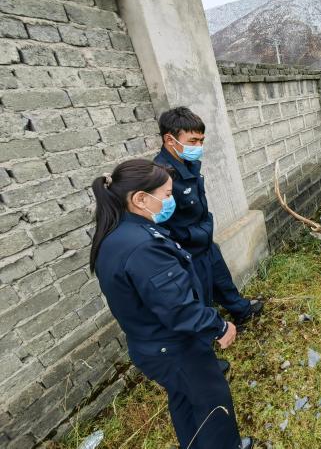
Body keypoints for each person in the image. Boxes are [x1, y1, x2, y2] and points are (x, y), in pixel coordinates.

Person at [90, 159, 254, 449]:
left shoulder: (118, 235)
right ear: (140, 199)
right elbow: (178, 308)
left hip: (153, 346)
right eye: (166, 194)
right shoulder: (143, 246)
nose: (171, 199)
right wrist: (219, 326)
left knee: (186, 401)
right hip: (176, 348)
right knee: (213, 405)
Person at [154, 108, 263, 356]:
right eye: (192, 141)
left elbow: (199, 207)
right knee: (199, 300)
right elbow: (163, 225)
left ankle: (242, 311)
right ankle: (209, 344)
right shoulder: (160, 175)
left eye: (201, 140)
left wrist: (206, 229)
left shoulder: (189, 163)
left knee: (222, 280)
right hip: (188, 251)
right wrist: (192, 239)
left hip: (204, 240)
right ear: (169, 140)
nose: (199, 146)